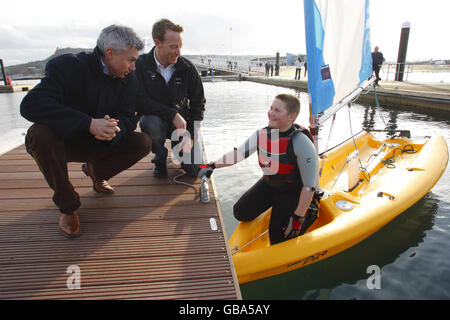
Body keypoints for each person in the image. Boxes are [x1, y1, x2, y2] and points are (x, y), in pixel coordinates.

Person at [20, 25, 152, 238]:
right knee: (39, 134)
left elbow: (129, 115)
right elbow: (30, 105)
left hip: (100, 142)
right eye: (131, 60)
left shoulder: (128, 79)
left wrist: (114, 129)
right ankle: (68, 206)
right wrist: (87, 123)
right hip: (63, 141)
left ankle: (97, 173)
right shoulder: (68, 67)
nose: (133, 67)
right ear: (109, 53)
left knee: (143, 142)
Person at [198, 94, 319, 245]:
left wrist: (297, 218)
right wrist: (211, 165)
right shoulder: (262, 134)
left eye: (277, 110)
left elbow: (309, 186)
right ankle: (278, 210)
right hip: (269, 184)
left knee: (278, 238)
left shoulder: (301, 142)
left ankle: (310, 212)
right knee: (240, 212)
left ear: (292, 116)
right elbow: (238, 154)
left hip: (291, 192)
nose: (271, 113)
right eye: (271, 108)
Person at [136, 19, 206, 179]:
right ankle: (159, 159)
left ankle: (179, 150)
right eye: (174, 47)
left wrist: (191, 136)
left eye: (180, 46)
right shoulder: (140, 66)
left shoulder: (188, 68)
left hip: (182, 126)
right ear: (157, 42)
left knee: (195, 170)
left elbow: (198, 104)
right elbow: (139, 101)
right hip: (155, 121)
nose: (178, 52)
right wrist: (172, 114)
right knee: (150, 122)